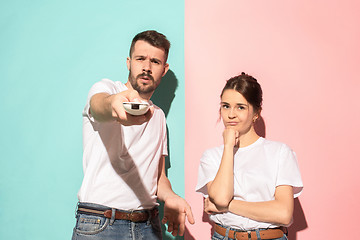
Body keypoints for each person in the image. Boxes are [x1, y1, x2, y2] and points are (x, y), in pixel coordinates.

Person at [72, 30, 194, 240]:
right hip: (101, 223)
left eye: (155, 61)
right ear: (129, 62)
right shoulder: (107, 90)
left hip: (148, 226)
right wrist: (113, 106)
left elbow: (158, 178)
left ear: (164, 69)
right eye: (140, 59)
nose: (147, 67)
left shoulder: (159, 117)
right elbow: (98, 105)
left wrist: (171, 197)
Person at [196, 73, 303, 240]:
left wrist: (228, 206)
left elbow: (283, 214)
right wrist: (228, 147)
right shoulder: (212, 156)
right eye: (225, 106)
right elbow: (222, 198)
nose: (231, 114)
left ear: (256, 113)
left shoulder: (280, 152)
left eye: (240, 107)